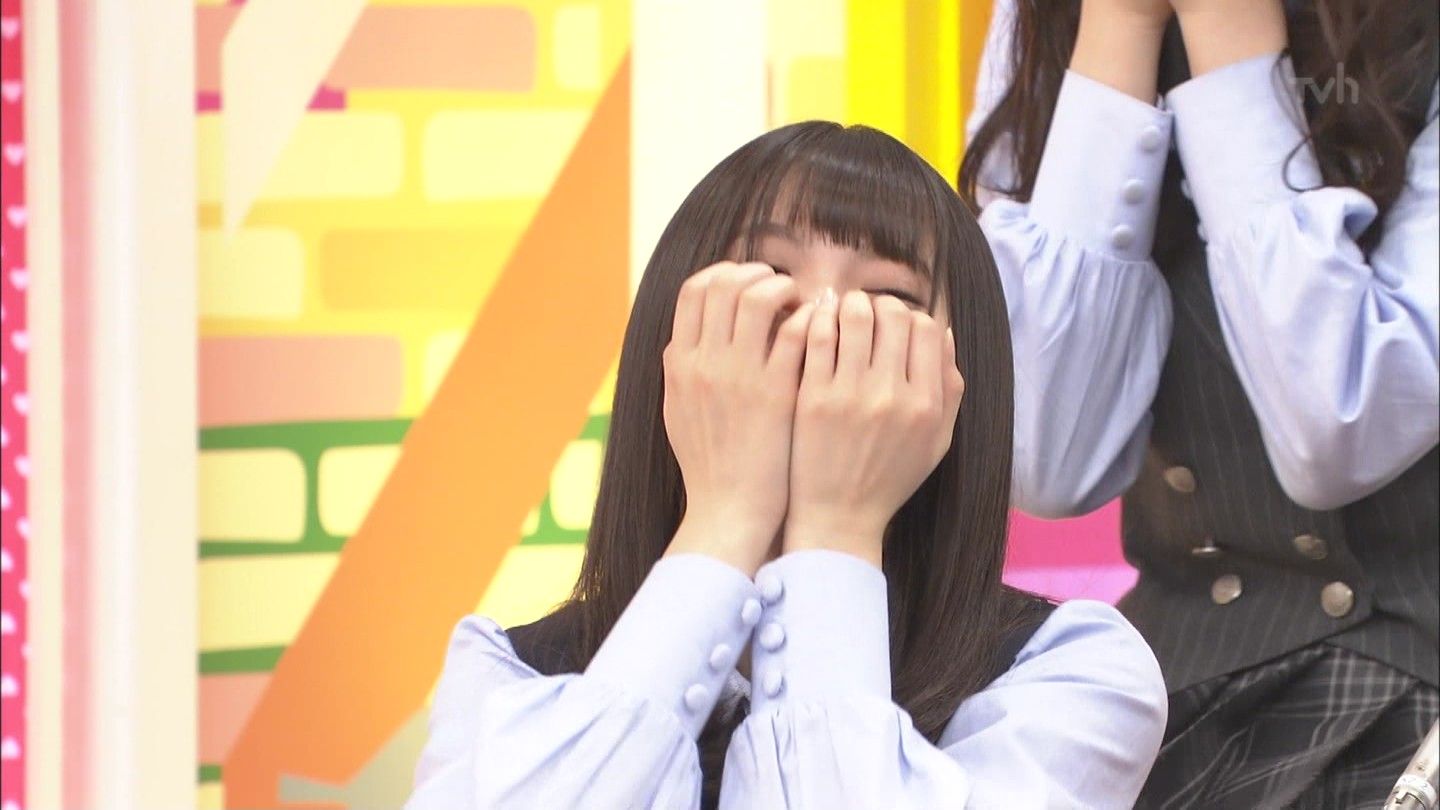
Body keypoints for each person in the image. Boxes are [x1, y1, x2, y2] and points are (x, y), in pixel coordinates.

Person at [405, 122, 1166, 810]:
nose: (821, 323)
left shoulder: (1070, 671)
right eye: (768, 275)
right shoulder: (503, 674)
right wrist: (725, 516)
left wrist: (838, 530)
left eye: (888, 297)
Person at [960, 0, 1439, 806]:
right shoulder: (1039, 18)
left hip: (1413, 691)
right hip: (1181, 684)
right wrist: (1121, 26)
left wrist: (1228, 44)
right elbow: (1048, 457)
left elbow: (1343, 420)